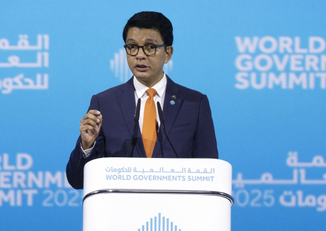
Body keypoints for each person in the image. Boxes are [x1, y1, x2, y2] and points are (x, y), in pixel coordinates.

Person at [65, 11, 219, 189]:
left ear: (167, 53)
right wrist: (87, 146)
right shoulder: (104, 103)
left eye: (150, 47)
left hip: (176, 204)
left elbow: (210, 174)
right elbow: (77, 180)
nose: (140, 55)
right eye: (132, 47)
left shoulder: (194, 104)